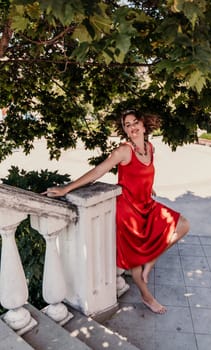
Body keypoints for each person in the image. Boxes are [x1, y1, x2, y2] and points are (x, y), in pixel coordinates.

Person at [43, 109, 189, 314]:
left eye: (135, 122)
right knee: (135, 260)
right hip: (128, 211)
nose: (132, 127)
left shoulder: (150, 147)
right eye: (127, 125)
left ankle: (152, 260)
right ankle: (147, 297)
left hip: (146, 204)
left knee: (183, 225)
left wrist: (148, 186)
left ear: (144, 125)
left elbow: (144, 173)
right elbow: (97, 171)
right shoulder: (123, 151)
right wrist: (67, 189)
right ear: (125, 131)